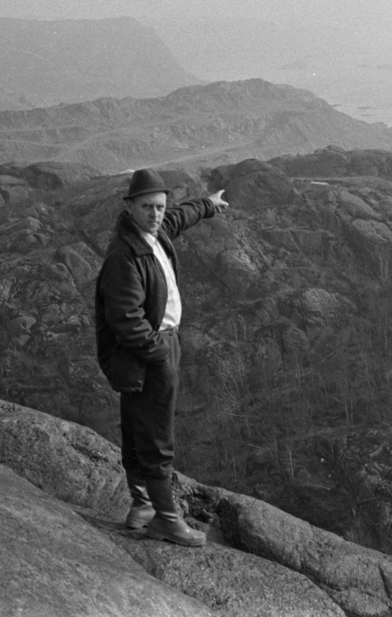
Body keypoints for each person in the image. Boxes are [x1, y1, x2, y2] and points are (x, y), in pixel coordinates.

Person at [94, 168, 229, 546]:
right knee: (156, 437)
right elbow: (125, 319)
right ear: (130, 207)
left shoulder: (151, 233)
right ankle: (167, 520)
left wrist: (209, 205)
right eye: (147, 207)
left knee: (138, 431)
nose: (156, 213)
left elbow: (177, 218)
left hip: (148, 351)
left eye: (159, 206)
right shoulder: (125, 255)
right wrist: (160, 352)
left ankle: (142, 506)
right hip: (148, 353)